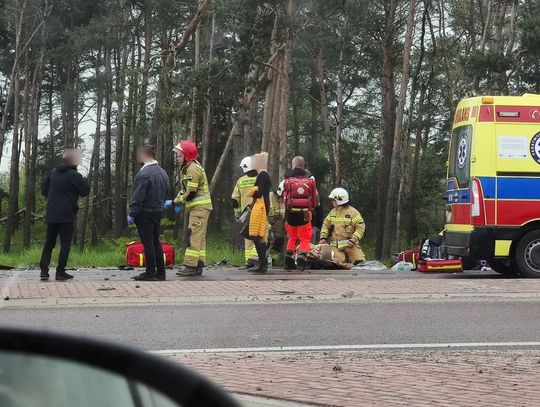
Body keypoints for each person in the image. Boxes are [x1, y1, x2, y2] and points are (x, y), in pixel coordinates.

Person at [39, 149, 90, 281]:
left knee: (49, 242)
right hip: (67, 214)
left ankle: (44, 271)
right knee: (65, 244)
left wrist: (52, 199)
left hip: (52, 213)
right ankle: (60, 272)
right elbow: (85, 190)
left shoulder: (53, 173)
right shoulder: (74, 175)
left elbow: (44, 188)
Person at [128, 145, 170, 281]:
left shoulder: (144, 174)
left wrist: (132, 213)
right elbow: (166, 192)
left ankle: (150, 272)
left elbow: (138, 196)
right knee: (156, 241)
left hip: (144, 213)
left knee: (148, 243)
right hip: (158, 211)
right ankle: (161, 272)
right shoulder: (163, 173)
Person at [173, 140, 212, 276]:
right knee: (199, 236)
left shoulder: (192, 169)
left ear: (187, 156)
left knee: (193, 235)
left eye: (179, 156)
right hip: (201, 208)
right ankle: (198, 265)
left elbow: (191, 193)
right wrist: (177, 199)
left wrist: (179, 201)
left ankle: (190, 265)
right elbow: (186, 190)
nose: (177, 158)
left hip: (199, 209)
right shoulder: (190, 167)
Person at [282, 156, 318, 271]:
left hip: (290, 213)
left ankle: (288, 261)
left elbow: (283, 196)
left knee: (292, 237)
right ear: (303, 165)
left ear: (294, 165)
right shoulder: (310, 178)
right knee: (305, 238)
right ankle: (302, 262)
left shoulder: (287, 177)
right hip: (305, 213)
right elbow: (314, 197)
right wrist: (312, 209)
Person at [319, 187, 366, 265]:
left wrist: (353, 240)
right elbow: (325, 225)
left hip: (350, 245)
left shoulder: (353, 212)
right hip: (336, 246)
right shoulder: (332, 213)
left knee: (359, 263)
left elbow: (360, 227)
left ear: (339, 200)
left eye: (333, 200)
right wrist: (323, 237)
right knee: (337, 263)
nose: (332, 202)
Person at [245, 152, 271, 273]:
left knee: (257, 235)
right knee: (258, 235)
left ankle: (262, 263)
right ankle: (262, 262)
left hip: (260, 208)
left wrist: (252, 191)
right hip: (263, 206)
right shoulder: (264, 175)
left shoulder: (262, 175)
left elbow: (259, 192)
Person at [231, 156, 258, 268]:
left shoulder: (241, 181)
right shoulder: (260, 178)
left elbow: (234, 199)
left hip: (246, 214)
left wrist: (238, 213)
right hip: (259, 212)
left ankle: (249, 261)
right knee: (261, 235)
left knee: (248, 237)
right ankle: (256, 258)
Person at [268, 180, 286, 255]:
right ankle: (265, 259)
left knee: (279, 241)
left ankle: (273, 260)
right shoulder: (270, 196)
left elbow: (283, 214)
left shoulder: (284, 199)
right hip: (269, 225)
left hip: (280, 228)